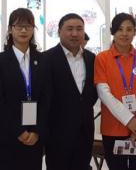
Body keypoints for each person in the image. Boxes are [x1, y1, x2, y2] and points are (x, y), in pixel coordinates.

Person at [0, 8, 51, 170]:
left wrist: (37, 131)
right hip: (7, 136)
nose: (23, 30)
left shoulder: (43, 60)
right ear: (10, 30)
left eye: (28, 26)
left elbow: (47, 98)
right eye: (19, 26)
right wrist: (18, 131)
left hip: (34, 137)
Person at [95, 13, 136, 170]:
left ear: (135, 32)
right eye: (120, 29)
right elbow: (104, 93)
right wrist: (129, 120)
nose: (124, 33)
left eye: (129, 29)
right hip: (113, 128)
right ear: (113, 32)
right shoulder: (102, 58)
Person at [44, 13, 98, 170]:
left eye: (79, 29)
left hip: (85, 131)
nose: (75, 33)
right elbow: (44, 96)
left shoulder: (92, 58)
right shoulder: (46, 59)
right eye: (69, 29)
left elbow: (93, 92)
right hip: (56, 133)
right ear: (59, 31)